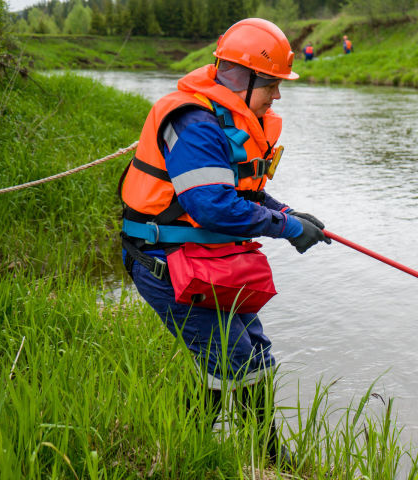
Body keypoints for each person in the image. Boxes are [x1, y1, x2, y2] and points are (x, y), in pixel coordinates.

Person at [118, 17, 329, 467]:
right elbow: (214, 206)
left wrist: (290, 214)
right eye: (272, 83)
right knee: (236, 358)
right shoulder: (194, 125)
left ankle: (190, 453)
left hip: (202, 258)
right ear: (243, 77)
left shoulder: (227, 119)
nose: (276, 95)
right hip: (164, 259)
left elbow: (244, 193)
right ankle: (267, 461)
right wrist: (286, 229)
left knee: (252, 352)